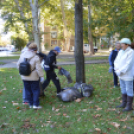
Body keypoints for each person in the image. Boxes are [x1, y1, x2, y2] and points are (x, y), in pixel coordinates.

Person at [17, 43, 44, 109]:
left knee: (28, 90)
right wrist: (42, 76)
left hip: (24, 77)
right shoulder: (36, 57)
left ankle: (30, 104)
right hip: (34, 77)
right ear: (35, 50)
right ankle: (35, 105)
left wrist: (22, 72)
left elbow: (18, 65)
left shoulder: (22, 55)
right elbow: (38, 68)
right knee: (35, 90)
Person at [114, 38, 134, 111]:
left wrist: (121, 71)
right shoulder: (120, 52)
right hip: (120, 75)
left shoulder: (131, 52)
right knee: (122, 88)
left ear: (127, 44)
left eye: (122, 43)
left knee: (129, 89)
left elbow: (128, 64)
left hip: (128, 74)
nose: (121, 45)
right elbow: (116, 61)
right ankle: (124, 103)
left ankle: (129, 106)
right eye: (121, 43)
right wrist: (116, 69)